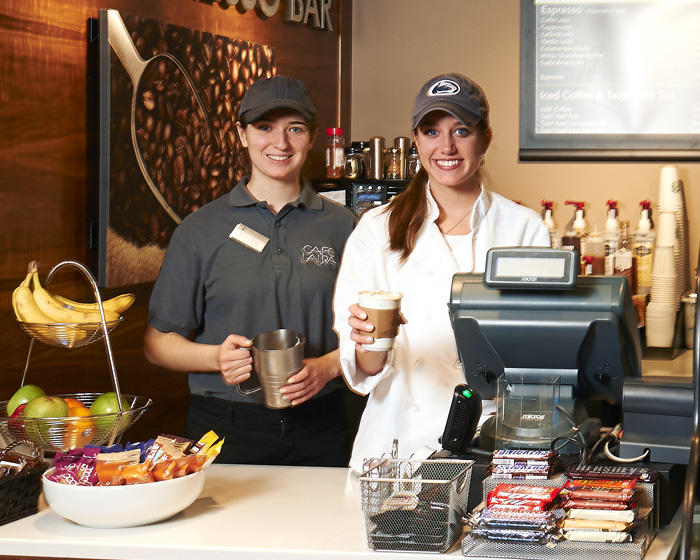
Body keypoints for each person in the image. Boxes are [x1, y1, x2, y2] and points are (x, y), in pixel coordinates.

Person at [333, 73, 551, 472]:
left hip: (494, 439)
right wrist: (368, 342)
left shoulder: (524, 228)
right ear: (416, 141)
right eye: (431, 131)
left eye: (461, 130)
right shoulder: (376, 228)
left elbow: (538, 349)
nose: (446, 147)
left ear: (484, 138)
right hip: (396, 445)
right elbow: (361, 373)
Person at [144, 75, 356, 466]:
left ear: (311, 138)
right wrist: (216, 358)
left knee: (319, 528)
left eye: (295, 129)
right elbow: (158, 344)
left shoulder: (345, 227)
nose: (281, 143)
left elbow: (375, 331)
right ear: (241, 135)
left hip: (322, 421)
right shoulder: (199, 229)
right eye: (265, 128)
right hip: (225, 426)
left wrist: (326, 367)